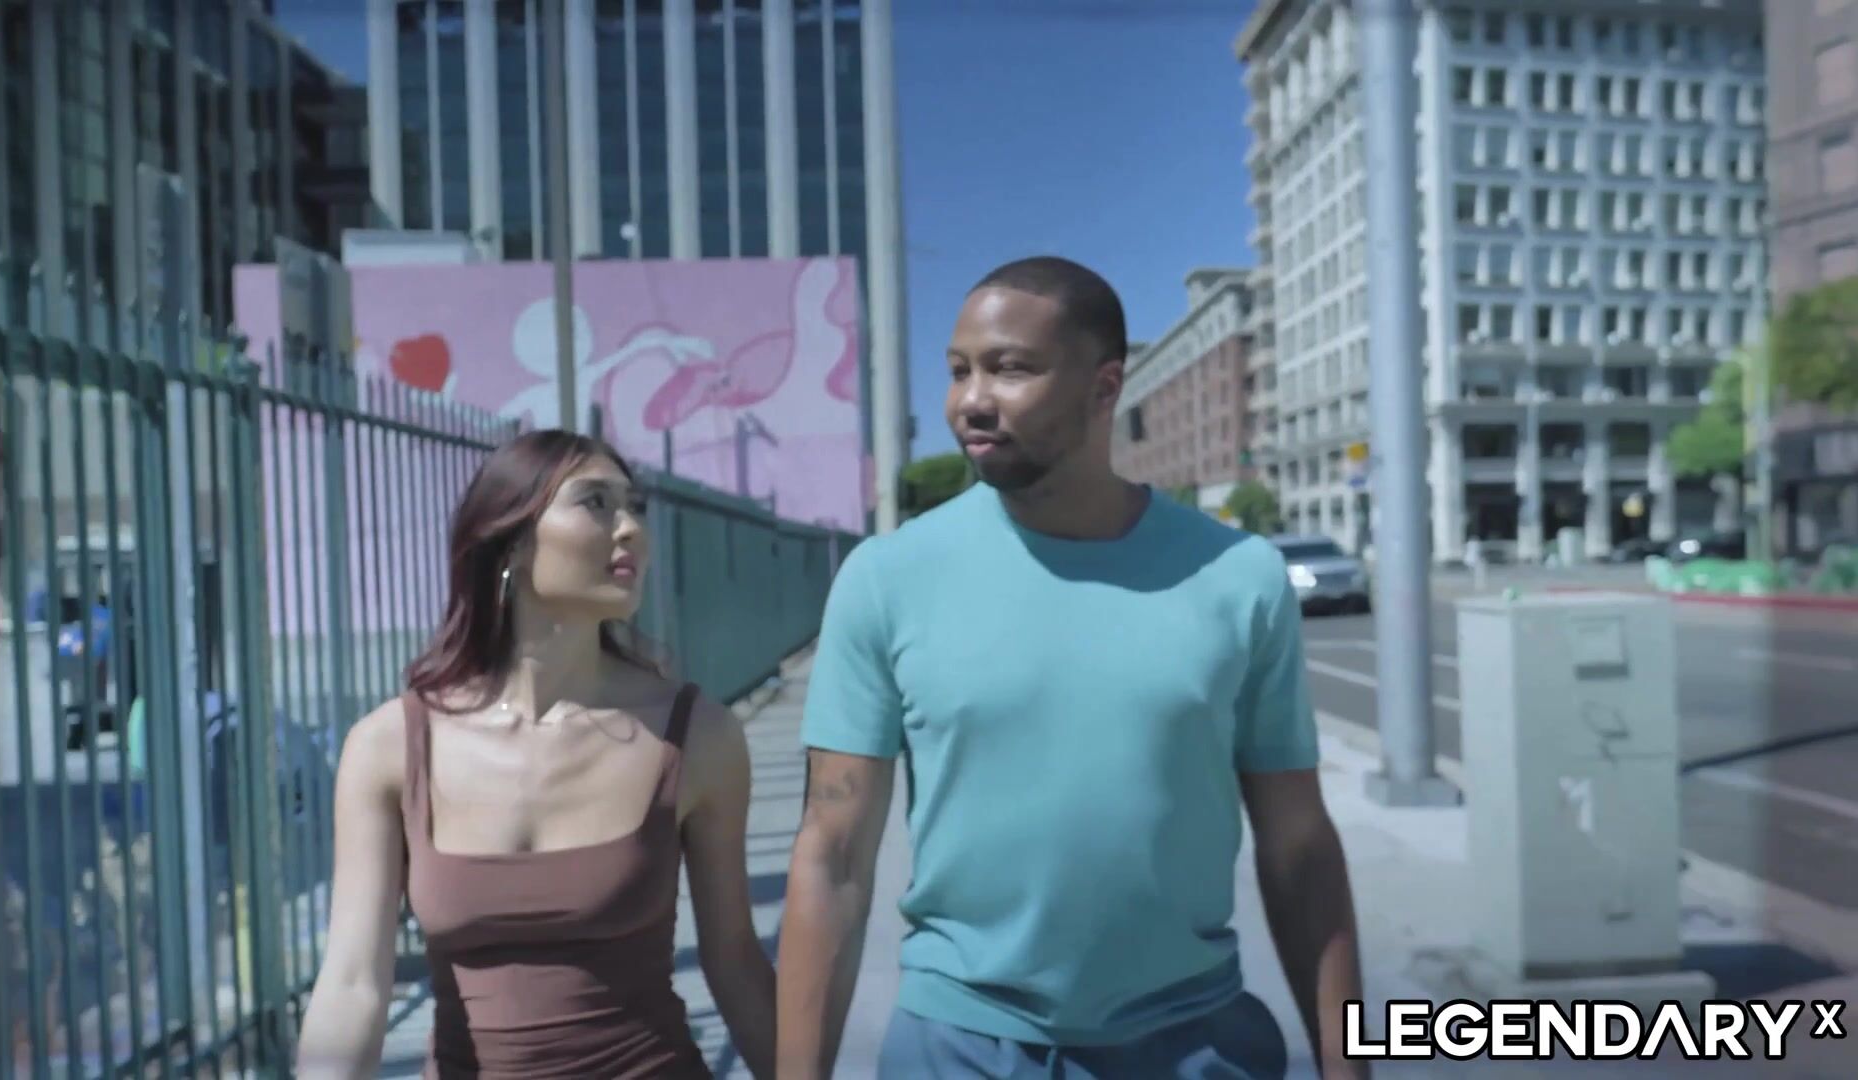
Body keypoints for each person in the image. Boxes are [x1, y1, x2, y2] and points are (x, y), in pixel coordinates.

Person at [775, 257, 1367, 1079]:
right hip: (959, 1047)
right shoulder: (886, 578)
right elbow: (833, 854)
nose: (971, 399)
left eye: (1010, 368)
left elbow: (1299, 845)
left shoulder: (1240, 577)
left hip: (1197, 1043)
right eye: (958, 370)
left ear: (1104, 385)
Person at [296, 429, 776, 1079]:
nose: (631, 528)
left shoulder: (695, 736)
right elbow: (352, 983)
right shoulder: (388, 747)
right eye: (596, 503)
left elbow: (737, 963)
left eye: (636, 508)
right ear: (513, 540)